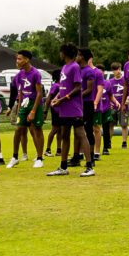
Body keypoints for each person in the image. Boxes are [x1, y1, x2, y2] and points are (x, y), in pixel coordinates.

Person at [47, 44, 95, 177]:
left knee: (80, 134)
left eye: (61, 52)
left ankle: (89, 166)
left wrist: (62, 99)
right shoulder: (64, 67)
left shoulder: (74, 67)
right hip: (64, 108)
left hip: (74, 107)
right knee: (65, 135)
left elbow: (78, 87)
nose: (59, 54)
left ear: (65, 53)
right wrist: (56, 97)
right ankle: (63, 167)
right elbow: (62, 87)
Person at [9, 50, 45, 169]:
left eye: (19, 59)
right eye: (17, 59)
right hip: (24, 104)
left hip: (35, 103)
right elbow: (20, 91)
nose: (17, 61)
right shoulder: (20, 74)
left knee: (36, 129)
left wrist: (33, 111)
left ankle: (39, 158)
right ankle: (15, 157)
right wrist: (19, 108)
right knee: (18, 129)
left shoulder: (36, 73)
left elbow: (39, 93)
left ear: (27, 60)